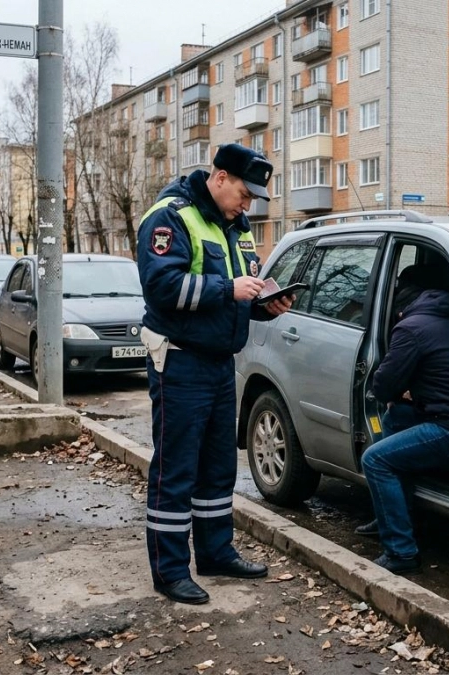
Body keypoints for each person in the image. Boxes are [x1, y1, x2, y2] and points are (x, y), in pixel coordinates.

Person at [135, 144, 293, 605]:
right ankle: (169, 571)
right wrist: (229, 289)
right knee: (176, 468)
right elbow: (162, 288)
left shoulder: (236, 227)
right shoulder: (171, 217)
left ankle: (216, 551)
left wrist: (264, 304)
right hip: (180, 360)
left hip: (221, 362)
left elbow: (241, 294)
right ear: (220, 177)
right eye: (245, 193)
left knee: (218, 467)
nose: (249, 205)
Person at [358, 263, 449, 574]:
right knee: (395, 417)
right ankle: (389, 513)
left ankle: (401, 553)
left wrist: (403, 388)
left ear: (401, 308)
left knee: (375, 460)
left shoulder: (410, 328)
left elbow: (384, 385)